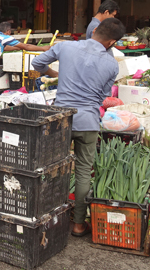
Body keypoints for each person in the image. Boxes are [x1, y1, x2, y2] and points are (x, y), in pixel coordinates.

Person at [31, 17, 125, 238]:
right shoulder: (112, 65)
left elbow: (37, 64)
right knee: (83, 173)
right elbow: (103, 97)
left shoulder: (65, 46)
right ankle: (79, 224)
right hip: (89, 122)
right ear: (111, 42)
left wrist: (54, 74)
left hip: (61, 121)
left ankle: (49, 218)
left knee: (52, 169)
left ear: (93, 31)